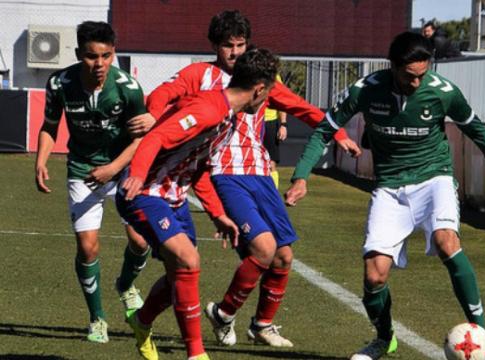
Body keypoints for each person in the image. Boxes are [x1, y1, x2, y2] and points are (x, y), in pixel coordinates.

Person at [285, 32, 485, 360]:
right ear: (393, 67)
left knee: (447, 241)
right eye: (410, 76)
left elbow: (478, 132)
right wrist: (301, 177)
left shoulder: (443, 92)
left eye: (423, 74)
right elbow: (324, 129)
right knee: (374, 274)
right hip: (389, 186)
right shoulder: (365, 89)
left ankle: (484, 338)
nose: (418, 83)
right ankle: (383, 338)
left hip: (434, 179)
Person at [131, 10, 360, 348]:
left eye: (240, 45)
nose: (235, 52)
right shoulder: (200, 75)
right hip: (224, 173)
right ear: (214, 46)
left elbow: (300, 107)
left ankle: (259, 324)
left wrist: (337, 133)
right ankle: (219, 317)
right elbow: (165, 91)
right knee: (264, 249)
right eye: (228, 46)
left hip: (261, 173)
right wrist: (153, 111)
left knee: (283, 256)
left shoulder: (256, 79)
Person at [116, 48, 278, 360]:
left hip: (174, 197)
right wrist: (136, 175)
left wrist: (217, 213)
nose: (265, 101)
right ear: (259, 89)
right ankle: (196, 354)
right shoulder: (209, 110)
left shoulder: (227, 117)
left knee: (181, 272)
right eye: (268, 93)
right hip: (146, 193)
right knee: (189, 260)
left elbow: (199, 168)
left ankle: (141, 321)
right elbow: (155, 138)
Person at [34, 21, 153, 344]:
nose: (99, 64)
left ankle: (126, 285)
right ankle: (97, 317)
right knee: (87, 248)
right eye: (90, 56)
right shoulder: (60, 83)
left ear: (113, 54)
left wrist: (114, 167)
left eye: (106, 56)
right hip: (82, 170)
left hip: (123, 169)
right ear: (78, 54)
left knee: (142, 241)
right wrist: (41, 160)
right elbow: (49, 126)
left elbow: (142, 139)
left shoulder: (128, 87)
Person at [263, 74, 288, 188]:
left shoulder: (274, 76)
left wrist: (283, 124)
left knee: (271, 163)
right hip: (251, 122)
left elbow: (281, 101)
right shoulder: (247, 71)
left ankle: (273, 196)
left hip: (270, 123)